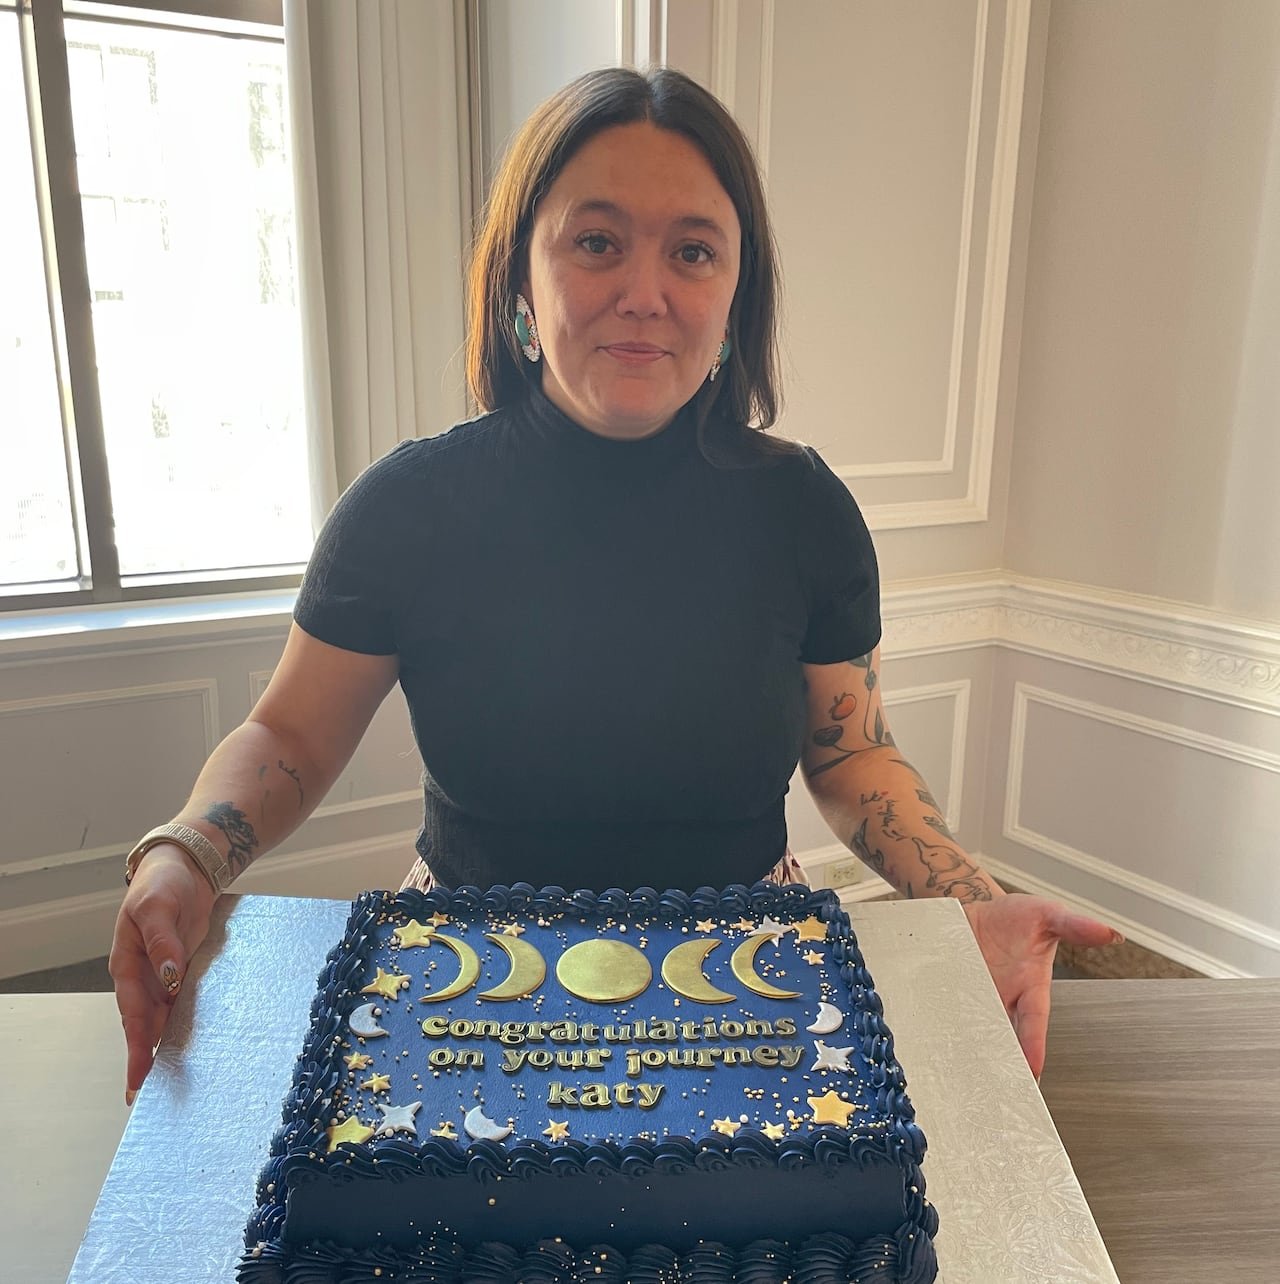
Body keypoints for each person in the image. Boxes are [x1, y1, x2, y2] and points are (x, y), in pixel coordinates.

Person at [111, 66, 1119, 1103]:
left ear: (736, 290)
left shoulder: (804, 508)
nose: (645, 292)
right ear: (521, 277)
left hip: (748, 975)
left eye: (691, 251)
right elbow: (289, 738)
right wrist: (185, 849)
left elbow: (850, 750)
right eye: (596, 242)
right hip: (466, 976)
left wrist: (969, 900)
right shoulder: (407, 506)